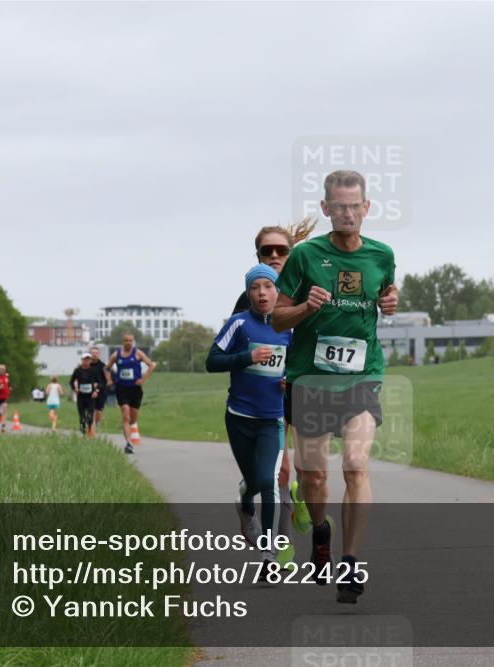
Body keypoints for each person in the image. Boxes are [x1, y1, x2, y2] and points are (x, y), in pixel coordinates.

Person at [273, 170, 398, 603]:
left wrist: (390, 301)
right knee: (314, 476)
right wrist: (306, 306)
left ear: (366, 208)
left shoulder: (382, 254)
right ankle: (321, 530)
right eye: (338, 206)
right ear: (326, 209)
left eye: (354, 206)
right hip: (311, 378)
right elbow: (277, 317)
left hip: (363, 377)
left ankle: (350, 561)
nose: (347, 213)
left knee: (356, 466)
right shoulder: (305, 257)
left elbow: (385, 294)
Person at [231, 219, 319, 567]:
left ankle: (292, 506)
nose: (273, 255)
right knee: (277, 473)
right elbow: (235, 344)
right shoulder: (249, 297)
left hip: (297, 388)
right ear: (258, 255)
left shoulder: (307, 289)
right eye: (265, 250)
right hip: (261, 397)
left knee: (301, 472)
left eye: (280, 250)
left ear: (291, 253)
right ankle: (277, 544)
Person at [207, 264, 293, 570]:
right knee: (254, 481)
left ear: (276, 292)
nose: (262, 293)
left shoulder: (289, 327)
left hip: (272, 418)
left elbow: (297, 366)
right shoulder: (238, 324)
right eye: (255, 287)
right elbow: (212, 361)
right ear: (249, 293)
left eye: (268, 287)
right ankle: (244, 498)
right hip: (239, 417)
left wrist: (289, 382)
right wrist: (246, 357)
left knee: (268, 481)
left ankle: (268, 554)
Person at [105, 333, 156, 454]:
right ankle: (128, 444)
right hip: (122, 389)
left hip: (135, 390)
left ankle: (130, 428)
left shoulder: (138, 353)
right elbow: (106, 368)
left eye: (130, 340)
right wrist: (109, 380)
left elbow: (152, 365)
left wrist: (143, 379)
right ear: (123, 342)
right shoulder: (116, 355)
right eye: (126, 340)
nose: (128, 342)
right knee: (125, 415)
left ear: (133, 342)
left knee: (133, 419)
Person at [71, 353, 102, 436]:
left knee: (90, 417)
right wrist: (75, 389)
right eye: (85, 359)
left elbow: (99, 383)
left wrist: (96, 391)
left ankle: (89, 431)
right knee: (82, 417)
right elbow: (71, 382)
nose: (86, 361)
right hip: (81, 397)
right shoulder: (77, 371)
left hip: (90, 397)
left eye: (88, 359)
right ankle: (83, 431)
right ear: (82, 360)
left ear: (90, 361)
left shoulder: (93, 371)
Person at [89, 346, 108, 431]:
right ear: (90, 354)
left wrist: (98, 387)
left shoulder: (103, 366)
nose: (94, 355)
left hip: (101, 392)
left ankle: (96, 424)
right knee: (90, 410)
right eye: (93, 353)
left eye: (96, 353)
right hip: (89, 391)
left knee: (98, 412)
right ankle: (90, 427)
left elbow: (106, 380)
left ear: (99, 354)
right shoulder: (87, 365)